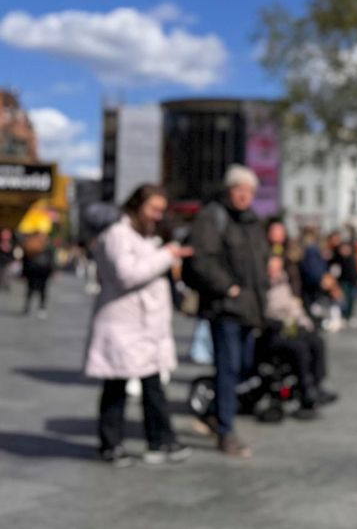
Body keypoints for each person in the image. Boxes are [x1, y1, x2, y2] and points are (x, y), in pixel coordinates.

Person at [84, 185, 193, 466]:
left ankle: (160, 440)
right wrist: (166, 255)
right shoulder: (117, 235)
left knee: (152, 385)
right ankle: (112, 444)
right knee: (117, 384)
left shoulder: (143, 236)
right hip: (124, 326)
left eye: (160, 210)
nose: (157, 216)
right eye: (153, 209)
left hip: (145, 327)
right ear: (137, 206)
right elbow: (127, 274)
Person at [187, 165, 269, 458]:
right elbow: (202, 259)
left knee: (243, 366)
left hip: (249, 308)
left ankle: (214, 413)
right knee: (228, 366)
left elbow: (260, 265)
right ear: (229, 190)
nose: (245, 196)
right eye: (239, 190)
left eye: (250, 192)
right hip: (225, 307)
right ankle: (225, 430)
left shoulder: (252, 222)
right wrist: (227, 287)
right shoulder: (213, 217)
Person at [264, 255, 338, 418]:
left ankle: (317, 384)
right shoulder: (263, 286)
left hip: (292, 325)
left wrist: (305, 324)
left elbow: (294, 308)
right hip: (274, 329)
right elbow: (268, 310)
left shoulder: (284, 284)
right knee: (300, 348)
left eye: (278, 267)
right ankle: (305, 390)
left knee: (317, 342)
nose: (275, 271)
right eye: (272, 267)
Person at [20, 232, 54, 318]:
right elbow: (51, 260)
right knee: (42, 290)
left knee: (31, 289)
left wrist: (23, 273)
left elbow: (24, 260)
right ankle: (41, 308)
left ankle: (28, 308)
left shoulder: (29, 244)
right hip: (42, 271)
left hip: (33, 271)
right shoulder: (46, 246)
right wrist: (52, 271)